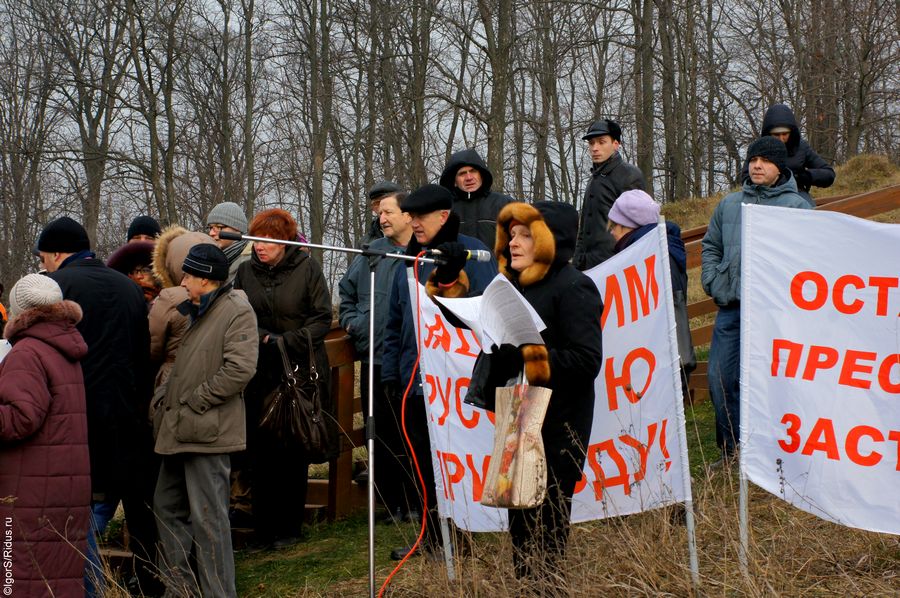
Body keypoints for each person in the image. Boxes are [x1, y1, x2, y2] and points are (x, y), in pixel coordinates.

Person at [469, 201, 604, 586]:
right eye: (511, 234)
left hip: (558, 432)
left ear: (548, 240)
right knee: (521, 537)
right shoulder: (511, 287)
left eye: (525, 235)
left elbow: (586, 360)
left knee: (546, 538)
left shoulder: (574, 285)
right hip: (518, 422)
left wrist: (529, 356)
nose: (513, 242)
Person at [35, 216, 160, 596]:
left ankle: (80, 582)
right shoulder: (128, 287)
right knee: (140, 507)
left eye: (44, 258)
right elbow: (144, 353)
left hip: (75, 412)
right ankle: (150, 579)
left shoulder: (56, 287)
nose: (43, 266)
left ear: (57, 254)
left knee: (79, 504)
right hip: (128, 411)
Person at [381, 184, 497, 560]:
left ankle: (461, 532)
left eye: (420, 217)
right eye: (409, 216)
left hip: (454, 380)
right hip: (415, 381)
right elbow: (397, 319)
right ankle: (431, 535)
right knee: (424, 464)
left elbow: (482, 310)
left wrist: (452, 274)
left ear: (443, 216)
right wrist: (391, 373)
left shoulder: (472, 253)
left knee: (454, 458)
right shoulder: (409, 259)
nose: (412, 223)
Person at [151, 244, 258, 597]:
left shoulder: (236, 310)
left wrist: (197, 400)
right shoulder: (197, 309)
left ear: (204, 278)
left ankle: (218, 594)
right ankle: (181, 590)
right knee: (167, 507)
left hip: (208, 432)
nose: (182, 281)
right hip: (180, 430)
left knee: (210, 521)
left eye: (187, 275)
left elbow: (240, 369)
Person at [702, 137, 811, 460]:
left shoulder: (798, 207)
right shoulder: (730, 204)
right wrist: (713, 278)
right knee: (719, 378)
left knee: (773, 385)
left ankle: (772, 454)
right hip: (733, 309)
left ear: (780, 166)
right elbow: (711, 246)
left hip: (777, 314)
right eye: (753, 159)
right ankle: (731, 451)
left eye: (765, 160)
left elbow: (810, 258)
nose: (757, 165)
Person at [234, 208, 337, 548]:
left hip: (300, 372)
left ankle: (289, 529)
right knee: (261, 450)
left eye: (268, 240)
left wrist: (287, 341)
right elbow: (240, 313)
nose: (260, 247)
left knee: (293, 449)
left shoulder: (308, 269)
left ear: (284, 241)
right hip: (260, 370)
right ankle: (264, 529)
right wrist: (264, 337)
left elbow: (322, 317)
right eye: (256, 240)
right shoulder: (246, 273)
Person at [0, 274, 91, 597]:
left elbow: (21, 419)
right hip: (62, 484)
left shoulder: (27, 353)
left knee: (17, 579)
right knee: (56, 580)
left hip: (29, 489)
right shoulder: (64, 348)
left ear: (20, 312)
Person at [339, 190, 415, 522]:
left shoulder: (424, 252)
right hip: (376, 358)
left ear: (408, 215)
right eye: (380, 213)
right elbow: (347, 294)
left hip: (412, 363)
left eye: (388, 212)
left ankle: (417, 502)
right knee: (380, 433)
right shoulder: (372, 254)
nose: (381, 219)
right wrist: (358, 325)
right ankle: (392, 503)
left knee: (411, 432)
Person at [608, 189, 696, 400]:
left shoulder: (650, 254)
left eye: (613, 225)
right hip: (658, 360)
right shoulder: (660, 247)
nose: (610, 232)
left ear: (628, 225)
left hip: (658, 361)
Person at [573, 118, 646, 271]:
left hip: (616, 264)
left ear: (615, 144)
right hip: (588, 264)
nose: (595, 148)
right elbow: (585, 225)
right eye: (591, 143)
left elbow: (638, 228)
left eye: (601, 142)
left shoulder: (629, 175)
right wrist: (578, 260)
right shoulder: (594, 178)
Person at [149, 225, 218, 388]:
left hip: (175, 376)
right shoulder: (232, 296)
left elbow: (153, 347)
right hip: (214, 376)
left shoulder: (169, 298)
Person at [740, 103, 835, 206]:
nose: (781, 138)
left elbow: (828, 174)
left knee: (807, 211)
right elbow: (745, 177)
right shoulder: (757, 148)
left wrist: (804, 176)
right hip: (764, 195)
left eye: (785, 134)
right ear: (768, 133)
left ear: (791, 132)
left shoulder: (800, 147)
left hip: (796, 193)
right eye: (776, 134)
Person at [439, 148, 516, 251]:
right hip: (457, 267)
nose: (469, 177)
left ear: (481, 175)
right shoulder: (444, 209)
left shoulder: (505, 204)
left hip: (495, 266)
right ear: (454, 181)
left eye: (473, 171)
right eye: (462, 173)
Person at [206, 201, 252, 282]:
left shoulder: (251, 264)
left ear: (238, 229)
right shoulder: (215, 261)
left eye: (219, 227)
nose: (211, 233)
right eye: (210, 228)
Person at [106, 240, 161, 305]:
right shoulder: (118, 305)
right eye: (132, 272)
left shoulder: (171, 303)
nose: (138, 276)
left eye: (145, 270)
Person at [359, 180, 401, 246]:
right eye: (376, 204)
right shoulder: (365, 242)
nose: (381, 207)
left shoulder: (418, 234)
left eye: (385, 202)